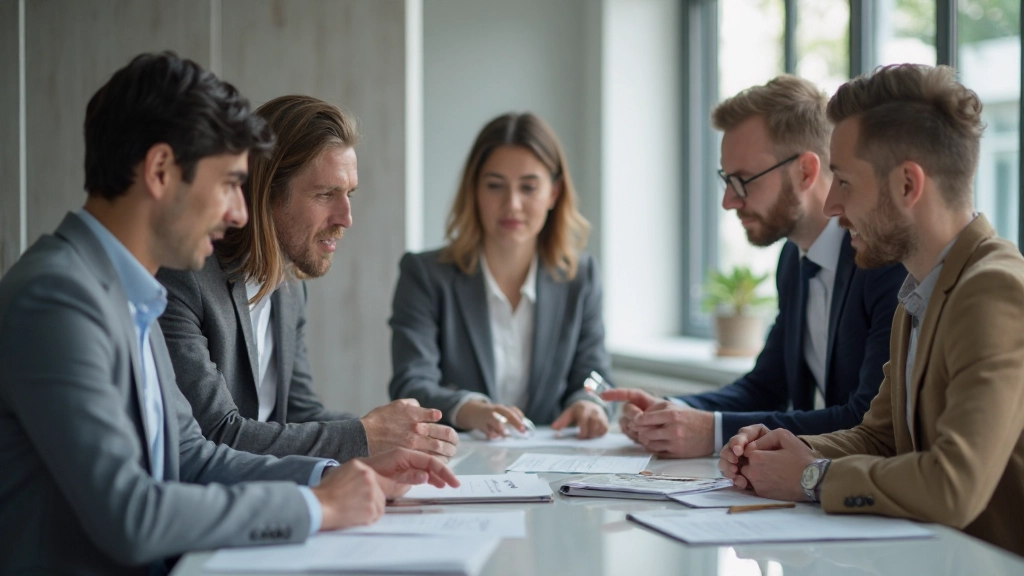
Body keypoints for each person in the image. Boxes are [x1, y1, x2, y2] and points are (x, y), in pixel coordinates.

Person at [0, 52, 456, 575]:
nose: (241, 213)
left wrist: (338, 475)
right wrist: (318, 506)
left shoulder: (128, 292)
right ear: (160, 171)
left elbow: (194, 456)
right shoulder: (58, 299)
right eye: (226, 185)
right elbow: (132, 514)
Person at [719, 64, 1024, 557]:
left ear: (907, 185)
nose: (833, 206)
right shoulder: (921, 287)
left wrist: (811, 477)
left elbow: (953, 486)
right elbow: (879, 436)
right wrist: (789, 450)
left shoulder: (994, 291)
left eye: (843, 181)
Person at [603, 76, 905, 457]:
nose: (729, 200)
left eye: (743, 181)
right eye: (726, 181)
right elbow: (765, 386)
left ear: (806, 172)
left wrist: (712, 432)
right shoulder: (794, 263)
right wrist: (673, 410)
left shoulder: (881, 260)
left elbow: (866, 420)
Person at [158, 95, 459, 463]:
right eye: (325, 194)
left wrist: (404, 435)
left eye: (348, 194)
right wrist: (366, 435)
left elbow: (300, 415)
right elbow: (216, 433)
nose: (346, 217)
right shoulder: (184, 280)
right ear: (266, 193)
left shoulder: (289, 289)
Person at [389, 112, 611, 439]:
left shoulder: (581, 276)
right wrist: (470, 409)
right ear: (474, 190)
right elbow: (411, 383)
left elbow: (593, 375)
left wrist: (589, 402)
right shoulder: (424, 275)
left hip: (550, 463)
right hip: (459, 462)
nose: (512, 205)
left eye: (529, 187)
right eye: (495, 186)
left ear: (554, 193)